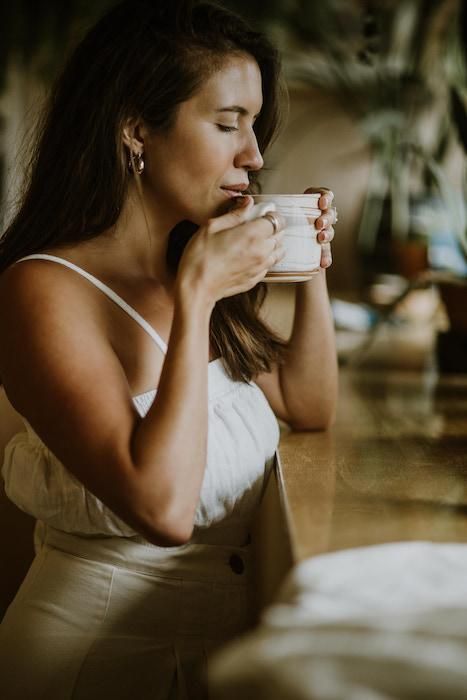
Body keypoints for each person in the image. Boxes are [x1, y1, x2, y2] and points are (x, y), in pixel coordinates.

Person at [0, 0, 338, 697]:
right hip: (88, 664)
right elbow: (161, 510)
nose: (255, 155)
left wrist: (310, 267)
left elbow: (308, 405)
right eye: (227, 124)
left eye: (254, 124)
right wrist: (196, 298)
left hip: (211, 659)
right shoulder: (42, 290)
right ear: (134, 130)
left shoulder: (186, 264)